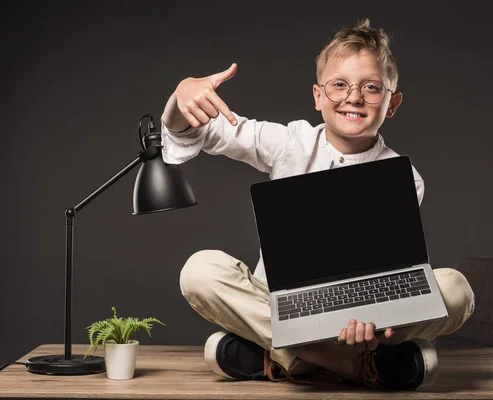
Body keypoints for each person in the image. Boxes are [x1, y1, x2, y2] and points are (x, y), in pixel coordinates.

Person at [160, 19, 475, 389]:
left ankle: (288, 358)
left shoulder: (404, 177)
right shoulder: (290, 143)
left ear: (392, 103)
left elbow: (384, 268)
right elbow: (200, 131)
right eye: (339, 85)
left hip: (364, 313)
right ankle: (349, 363)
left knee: (456, 289)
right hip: (283, 307)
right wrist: (180, 97)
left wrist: (369, 327)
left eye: (372, 88)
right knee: (200, 270)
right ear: (318, 96)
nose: (353, 97)